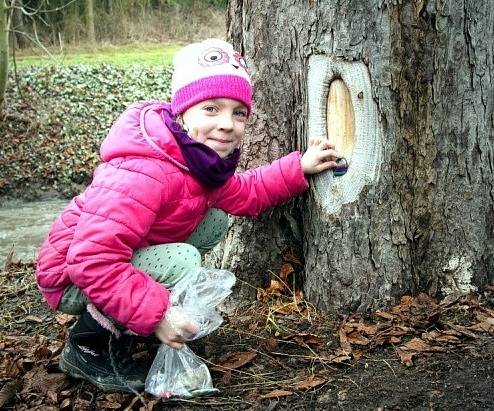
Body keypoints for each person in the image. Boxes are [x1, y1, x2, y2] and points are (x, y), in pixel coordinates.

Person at [35, 39, 342, 393]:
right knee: (182, 259)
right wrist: (160, 315)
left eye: (238, 112)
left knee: (214, 220)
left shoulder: (195, 162)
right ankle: (88, 345)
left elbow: (244, 192)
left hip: (111, 259)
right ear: (182, 112)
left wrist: (297, 169)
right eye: (211, 108)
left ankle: (132, 318)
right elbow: (91, 260)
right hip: (70, 279)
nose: (227, 124)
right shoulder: (144, 171)